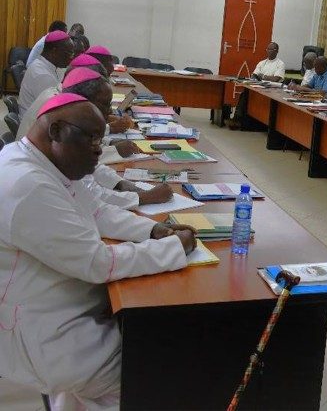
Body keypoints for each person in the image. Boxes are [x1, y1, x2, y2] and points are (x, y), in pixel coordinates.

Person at [0, 93, 196, 410]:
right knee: (147, 369)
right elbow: (97, 262)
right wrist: (174, 248)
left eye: (100, 138)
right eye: (90, 137)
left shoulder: (43, 162)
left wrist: (153, 230)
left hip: (59, 301)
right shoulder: (26, 183)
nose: (97, 149)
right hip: (45, 328)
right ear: (56, 131)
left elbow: (97, 212)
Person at [17, 67, 173, 209]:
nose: (110, 111)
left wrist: (119, 183)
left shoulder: (67, 113)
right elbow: (92, 198)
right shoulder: (59, 114)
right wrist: (143, 197)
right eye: (105, 104)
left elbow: (93, 201)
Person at [227, 42, 285, 130]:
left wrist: (263, 76)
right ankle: (237, 120)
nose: (268, 51)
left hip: (272, 89)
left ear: (276, 51)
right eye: (267, 49)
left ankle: (238, 120)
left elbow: (276, 79)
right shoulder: (262, 63)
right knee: (245, 94)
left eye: (271, 49)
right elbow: (254, 75)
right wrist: (255, 78)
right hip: (260, 86)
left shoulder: (280, 64)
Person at [18, 30, 75, 117]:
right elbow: (56, 109)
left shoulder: (42, 65)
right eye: (69, 53)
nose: (71, 58)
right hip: (33, 125)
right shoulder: (42, 75)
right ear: (54, 51)